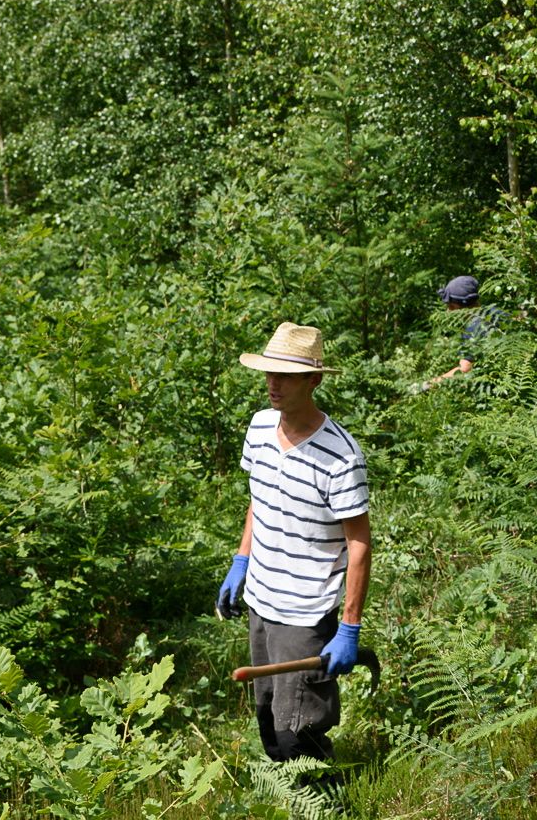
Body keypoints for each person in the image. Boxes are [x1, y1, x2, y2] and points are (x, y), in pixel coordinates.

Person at [216, 321, 372, 762]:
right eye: (269, 373)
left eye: (284, 375)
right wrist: (241, 560)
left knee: (299, 734)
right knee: (268, 718)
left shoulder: (341, 456)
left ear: (314, 380)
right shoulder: (260, 427)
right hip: (260, 601)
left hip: (304, 613)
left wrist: (348, 628)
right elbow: (259, 498)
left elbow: (359, 542)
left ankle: (328, 804)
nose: (273, 384)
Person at [422, 275, 503, 389]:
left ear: (464, 307)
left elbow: (465, 369)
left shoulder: (474, 328)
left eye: (451, 307)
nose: (448, 311)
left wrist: (431, 384)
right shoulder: (496, 312)